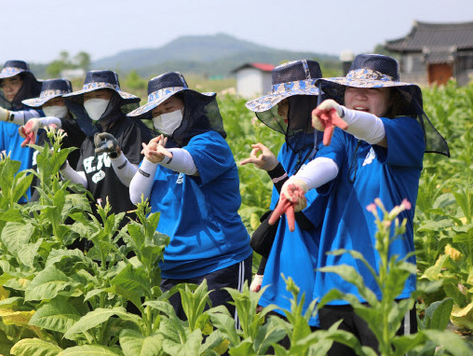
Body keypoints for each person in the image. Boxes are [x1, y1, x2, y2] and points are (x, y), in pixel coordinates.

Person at [272, 54, 449, 354]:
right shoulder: (341, 139)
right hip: (333, 289)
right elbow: (326, 163)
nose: (361, 95)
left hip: (386, 289)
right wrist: (300, 183)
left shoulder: (406, 132)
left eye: (374, 89)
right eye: (353, 89)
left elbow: (374, 129)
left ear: (393, 98)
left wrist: (343, 113)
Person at [124, 71, 252, 321]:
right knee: (178, 344)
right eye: (156, 113)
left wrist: (165, 157)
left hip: (218, 264)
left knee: (221, 344)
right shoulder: (160, 150)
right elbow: (136, 197)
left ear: (188, 107)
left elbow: (190, 163)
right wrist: (150, 161)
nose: (162, 116)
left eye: (169, 107)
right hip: (171, 267)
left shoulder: (210, 142)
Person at [240, 60, 327, 344]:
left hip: (311, 279)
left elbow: (305, 215)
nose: (280, 112)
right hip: (280, 276)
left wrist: (276, 172)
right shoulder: (288, 147)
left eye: (286, 104)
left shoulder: (330, 150)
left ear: (305, 103)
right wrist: (262, 272)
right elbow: (277, 217)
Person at [60, 70, 152, 219]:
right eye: (87, 97)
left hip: (129, 223)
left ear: (114, 99)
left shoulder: (131, 129)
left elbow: (134, 181)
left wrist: (115, 154)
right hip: (99, 226)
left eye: (99, 95)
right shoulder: (89, 140)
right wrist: (63, 167)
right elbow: (82, 185)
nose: (92, 101)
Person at [0, 60, 43, 202]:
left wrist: (8, 116)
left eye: (13, 82)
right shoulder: (4, 120)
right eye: (4, 85)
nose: (8, 89)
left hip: (36, 191)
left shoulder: (39, 110)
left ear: (26, 83)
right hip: (13, 193)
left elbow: (33, 118)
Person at [20, 78, 86, 198]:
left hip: (68, 201)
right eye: (46, 103)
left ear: (68, 103)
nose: (51, 106)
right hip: (42, 202)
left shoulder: (76, 127)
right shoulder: (43, 135)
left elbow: (57, 122)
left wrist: (39, 122)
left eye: (57, 101)